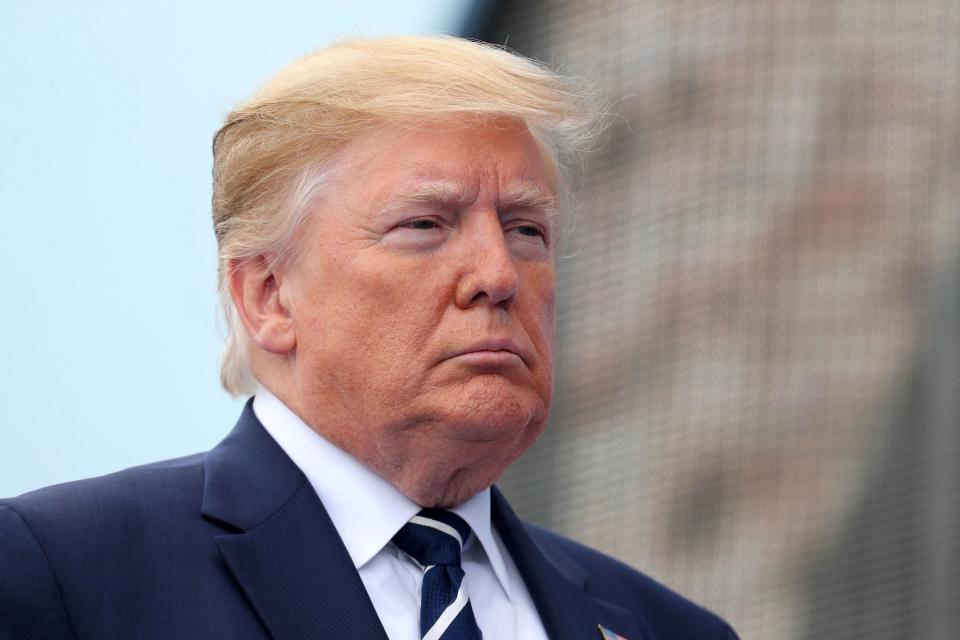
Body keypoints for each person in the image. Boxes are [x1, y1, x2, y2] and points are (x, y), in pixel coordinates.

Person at [0, 36, 738, 640]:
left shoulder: (666, 627)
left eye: (526, 229)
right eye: (424, 225)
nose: (498, 274)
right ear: (268, 295)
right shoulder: (66, 575)